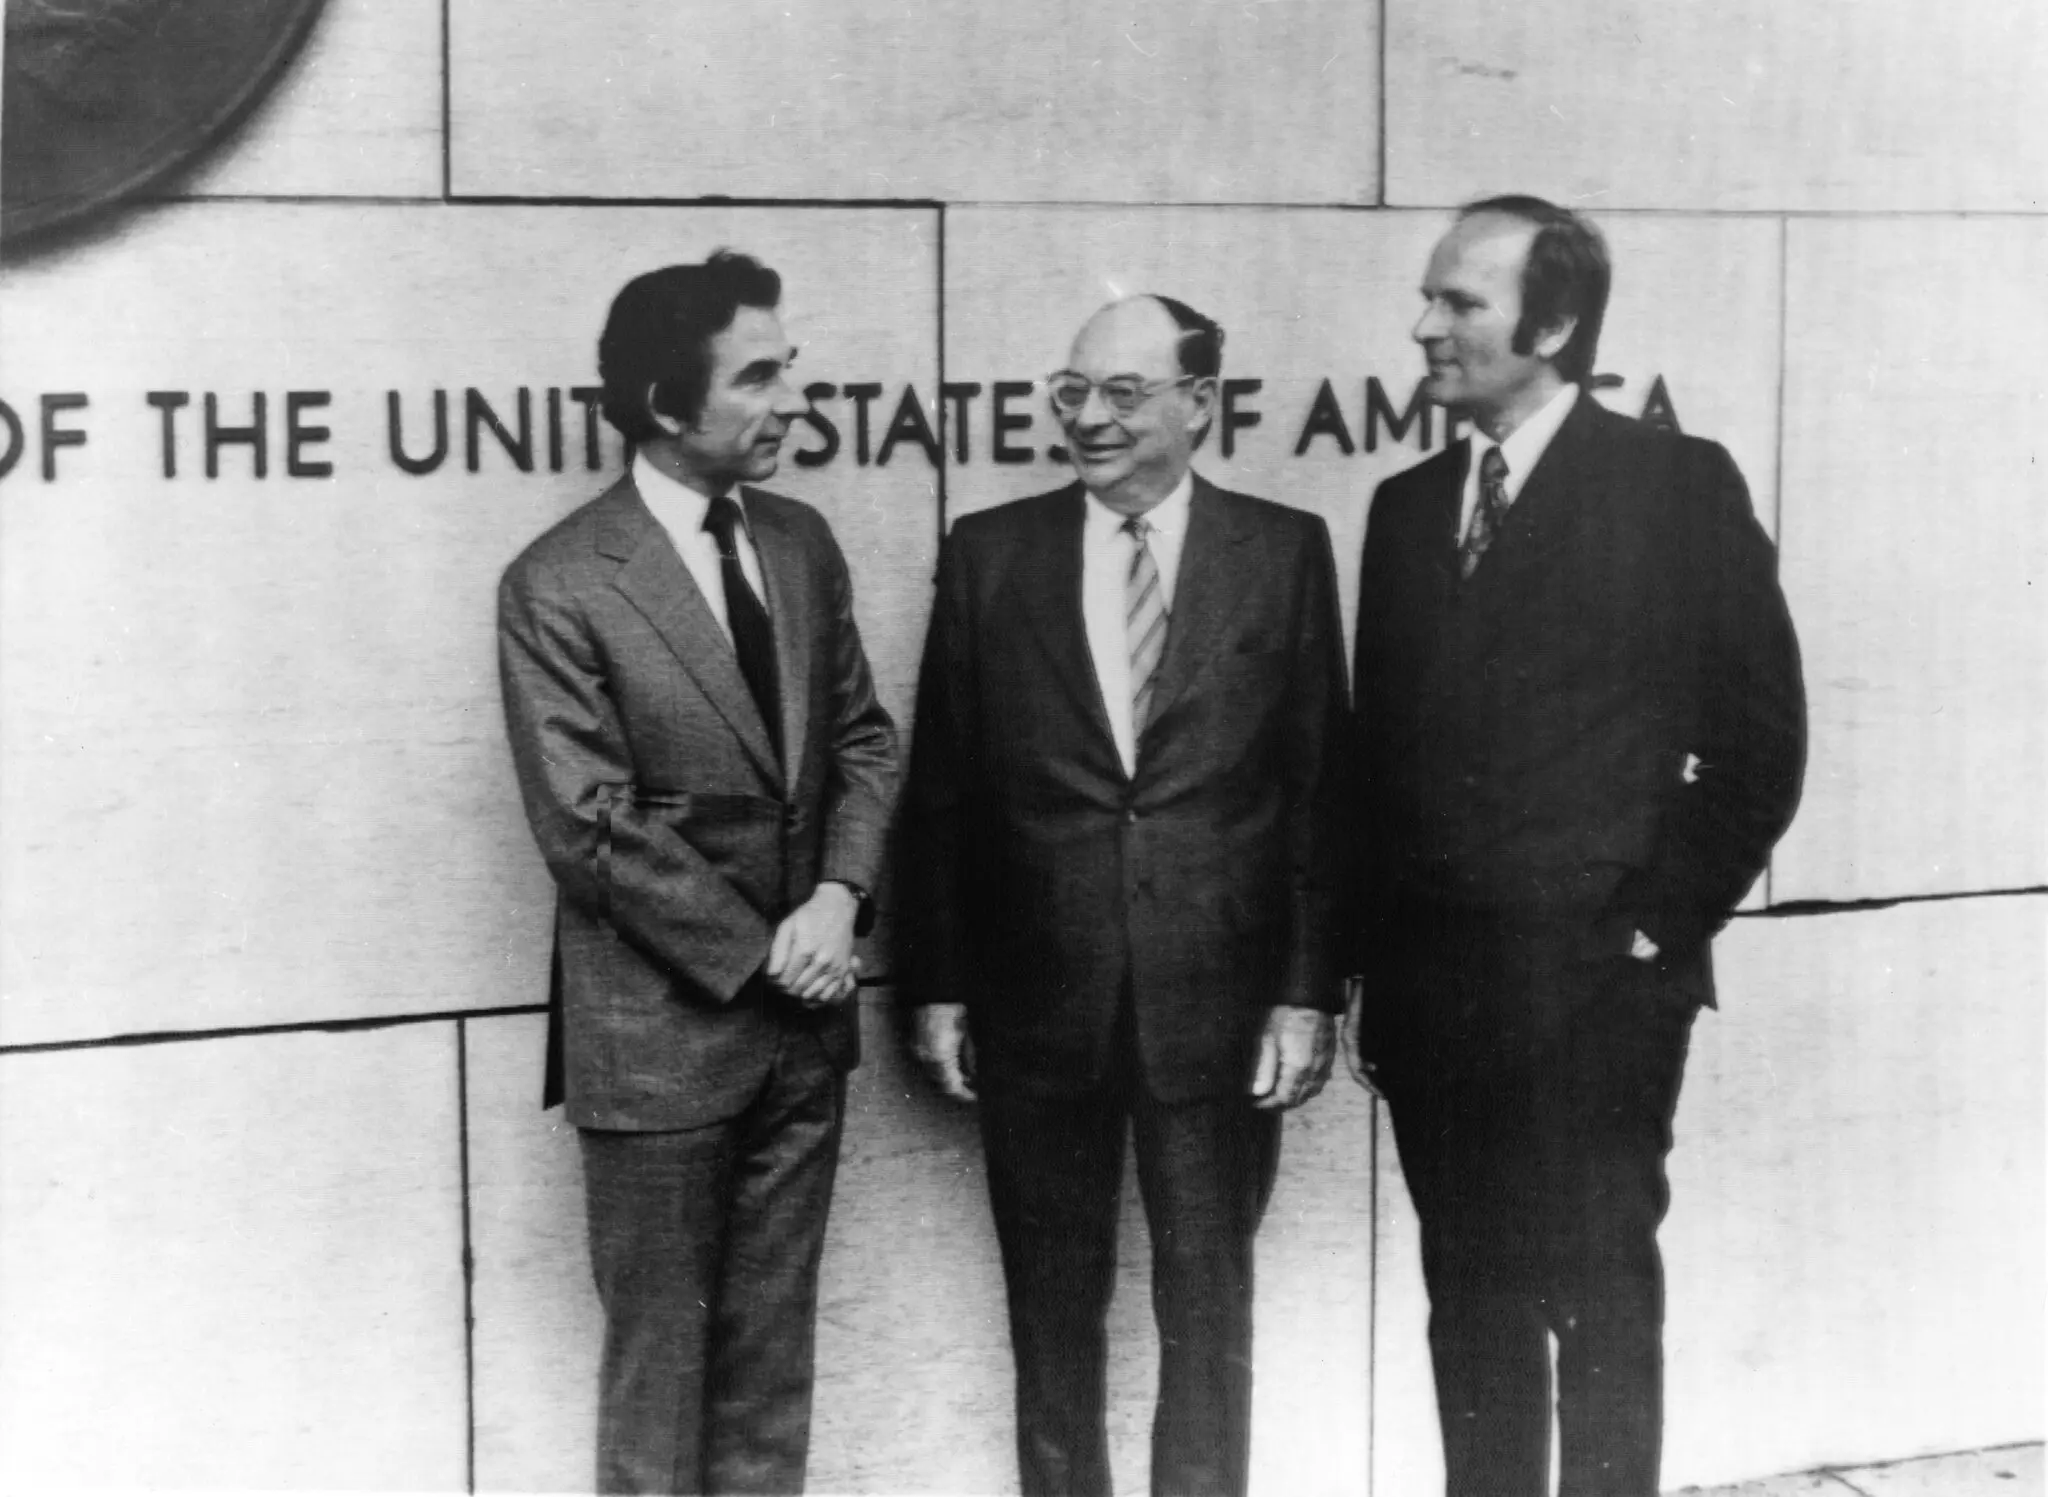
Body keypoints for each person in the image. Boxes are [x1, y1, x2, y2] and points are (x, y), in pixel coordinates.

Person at [1346, 196, 1806, 1496]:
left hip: (1602, 991)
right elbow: (1381, 764)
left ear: (1551, 325)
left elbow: (1763, 742)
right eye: (1429, 296)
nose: (1424, 324)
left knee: (1599, 1306)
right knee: (1472, 1309)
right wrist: (1377, 970)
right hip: (1439, 1004)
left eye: (1459, 303)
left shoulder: (1673, 485)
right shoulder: (1404, 506)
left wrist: (1657, 927)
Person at [902, 294, 1351, 1497]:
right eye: (1070, 390)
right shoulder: (988, 555)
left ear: (1197, 404)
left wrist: (1305, 995)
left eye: (1121, 393)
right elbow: (943, 787)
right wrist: (937, 984)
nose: (1086, 418)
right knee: (1051, 1323)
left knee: (1210, 1323)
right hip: (1035, 1004)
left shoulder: (1283, 552)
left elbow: (1316, 790)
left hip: (1217, 1008)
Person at [497, 250, 897, 1495]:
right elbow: (590, 824)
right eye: (761, 377)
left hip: (802, 1043)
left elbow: (860, 740)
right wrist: (762, 954)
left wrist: (836, 902)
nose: (793, 402)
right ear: (669, 404)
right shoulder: (559, 582)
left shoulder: (801, 541)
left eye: (792, 370)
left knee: (770, 1379)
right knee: (658, 1384)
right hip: (661, 1053)